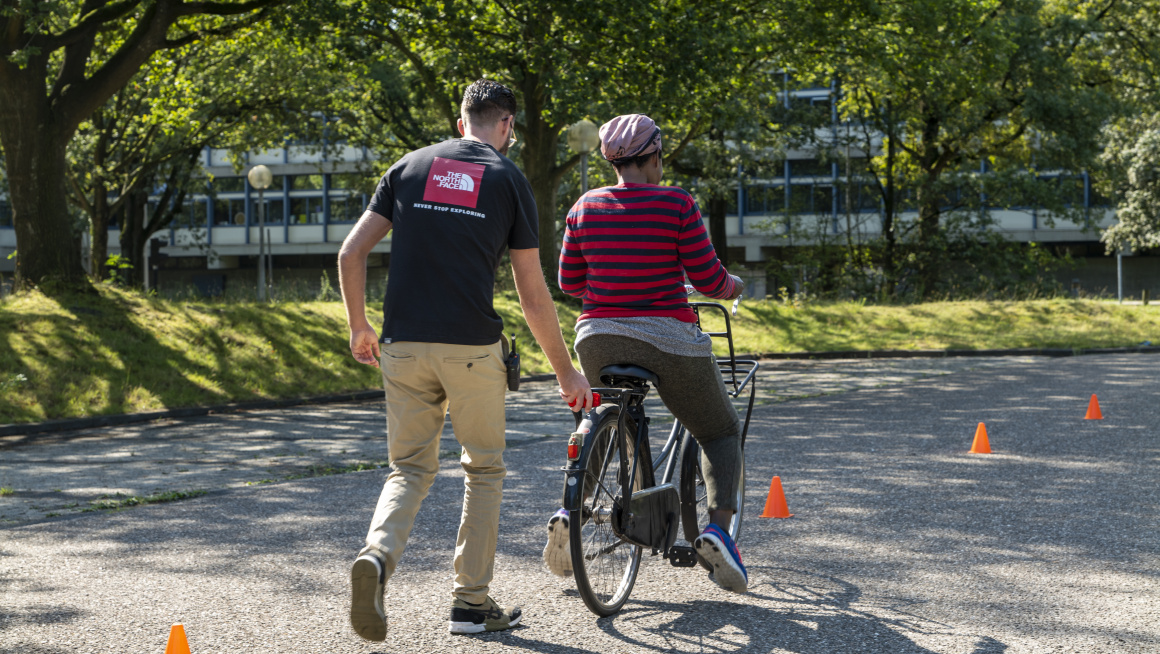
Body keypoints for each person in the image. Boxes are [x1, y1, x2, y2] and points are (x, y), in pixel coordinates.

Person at [338, 79, 593, 640]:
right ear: (506, 126)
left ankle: (377, 557)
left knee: (408, 468)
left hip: (402, 347)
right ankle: (470, 604)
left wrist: (360, 325)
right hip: (473, 350)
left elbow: (351, 251)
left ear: (462, 121)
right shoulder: (507, 179)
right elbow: (531, 292)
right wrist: (564, 369)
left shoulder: (408, 167)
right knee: (483, 469)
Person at [542, 113, 749, 593]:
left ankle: (569, 511)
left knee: (603, 421)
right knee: (719, 430)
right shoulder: (676, 203)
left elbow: (569, 283)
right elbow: (709, 280)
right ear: (653, 156)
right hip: (667, 336)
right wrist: (735, 285)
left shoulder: (583, 206)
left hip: (597, 337)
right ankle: (717, 530)